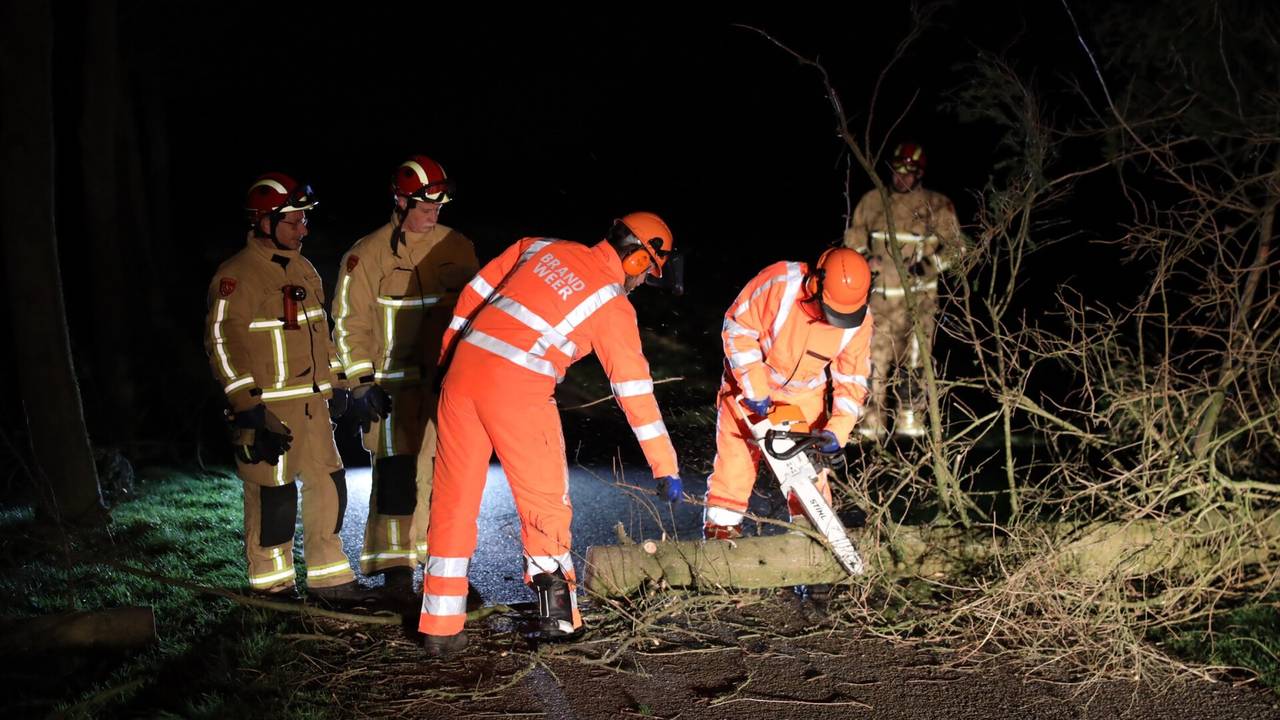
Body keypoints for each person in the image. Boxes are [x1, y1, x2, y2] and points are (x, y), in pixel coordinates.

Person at [418, 212, 681, 657]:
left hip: (462, 374)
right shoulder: (613, 303)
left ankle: (440, 626)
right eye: (646, 274)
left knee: (453, 501)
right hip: (518, 389)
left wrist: (447, 359)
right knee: (544, 506)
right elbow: (633, 390)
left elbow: (474, 294)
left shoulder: (539, 247)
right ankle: (559, 620)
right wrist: (665, 465)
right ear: (637, 261)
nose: (641, 284)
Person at [203, 172, 367, 604]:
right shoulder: (237, 276)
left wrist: (340, 383)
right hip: (270, 411)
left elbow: (322, 334)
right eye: (293, 221)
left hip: (314, 407)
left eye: (304, 221)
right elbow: (223, 342)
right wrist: (247, 406)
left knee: (331, 487)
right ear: (263, 222)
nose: (303, 230)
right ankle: (272, 588)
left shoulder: (303, 268)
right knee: (272, 499)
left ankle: (329, 579)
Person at [331, 155, 479, 596]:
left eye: (439, 208)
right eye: (424, 207)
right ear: (400, 201)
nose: (433, 215)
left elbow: (478, 316)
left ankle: (443, 572)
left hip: (442, 387)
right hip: (391, 390)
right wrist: (361, 383)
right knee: (396, 477)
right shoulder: (366, 255)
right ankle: (397, 574)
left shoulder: (459, 249)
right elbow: (349, 322)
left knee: (445, 476)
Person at [703, 248, 874, 540]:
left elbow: (852, 379)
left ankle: (810, 546)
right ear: (816, 285)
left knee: (810, 478)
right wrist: (754, 386)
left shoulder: (858, 321)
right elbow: (737, 328)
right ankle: (721, 536)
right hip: (750, 385)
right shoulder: (781, 283)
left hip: (804, 396)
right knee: (735, 465)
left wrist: (837, 431)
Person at [844, 142, 962, 439]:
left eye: (909, 172)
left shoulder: (936, 205)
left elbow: (959, 247)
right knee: (872, 362)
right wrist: (864, 261)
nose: (902, 178)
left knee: (915, 362)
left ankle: (910, 422)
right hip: (879, 303)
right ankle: (870, 423)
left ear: (919, 174)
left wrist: (929, 265)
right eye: (898, 171)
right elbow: (853, 240)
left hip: (918, 304)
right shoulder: (872, 201)